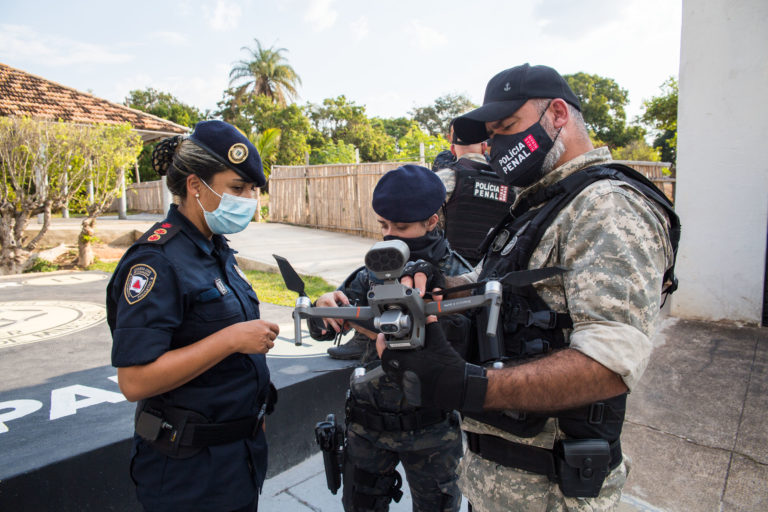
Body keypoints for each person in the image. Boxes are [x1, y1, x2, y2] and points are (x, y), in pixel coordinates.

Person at [376, 64, 679, 511]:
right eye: (492, 135)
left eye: (508, 127)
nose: (498, 145)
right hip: (497, 483)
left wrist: (470, 387)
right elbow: (500, 292)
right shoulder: (542, 205)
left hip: (552, 493)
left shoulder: (607, 206)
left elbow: (612, 363)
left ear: (557, 114)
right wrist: (444, 283)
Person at [107, 120, 280, 512]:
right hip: (188, 473)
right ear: (195, 186)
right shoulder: (157, 260)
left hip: (237, 457)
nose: (249, 200)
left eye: (253, 190)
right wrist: (231, 339)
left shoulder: (214, 248)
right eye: (237, 188)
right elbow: (134, 381)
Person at [310, 165, 473, 511]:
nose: (390, 236)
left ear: (432, 220)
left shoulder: (459, 276)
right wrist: (324, 307)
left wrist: (369, 325)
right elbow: (323, 328)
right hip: (368, 429)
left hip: (432, 431)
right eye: (384, 225)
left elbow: (455, 345)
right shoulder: (372, 271)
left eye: (401, 227)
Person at [435, 118, 515, 265]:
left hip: (451, 271)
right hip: (494, 272)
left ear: (452, 149)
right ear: (484, 147)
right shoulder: (511, 182)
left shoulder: (441, 180)